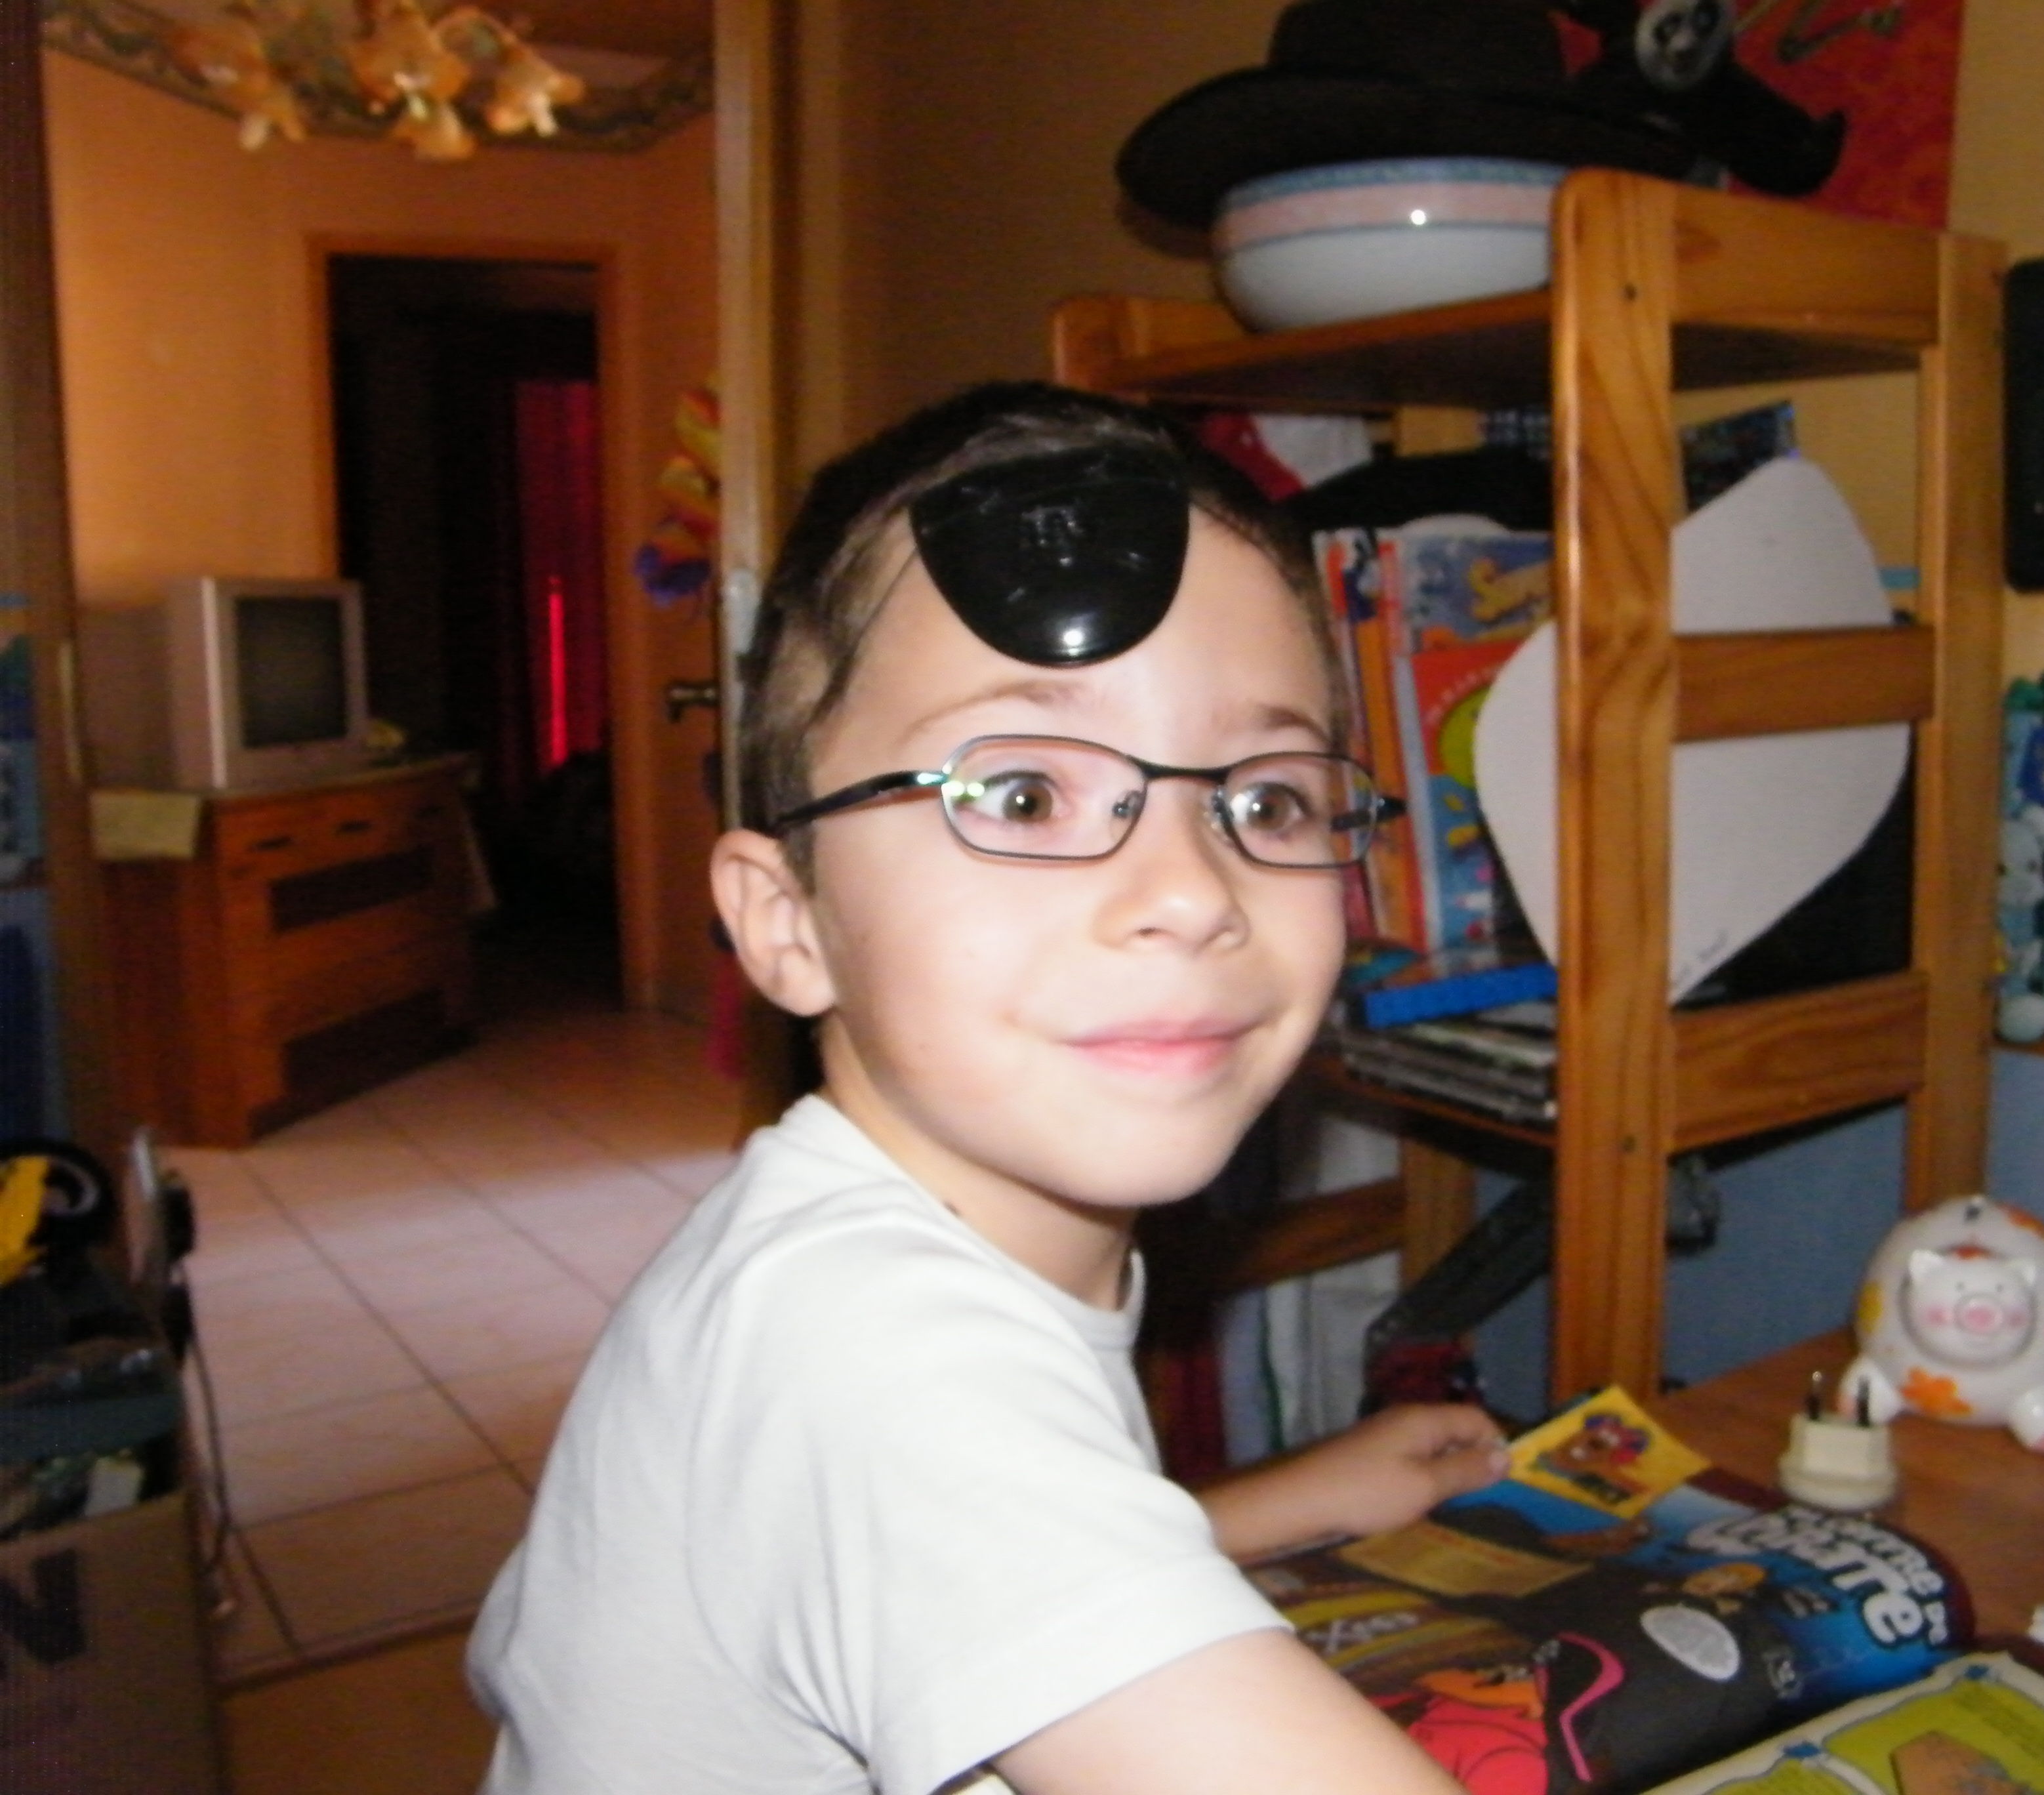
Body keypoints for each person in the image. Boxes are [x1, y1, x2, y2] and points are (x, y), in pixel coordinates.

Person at [467, 380, 1511, 1794]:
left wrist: (1262, 1507)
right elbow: (921, 1467)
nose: (1192, 891)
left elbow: (955, 1559)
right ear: (788, 921)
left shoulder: (868, 1257)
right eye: (1023, 796)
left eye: (1266, 800)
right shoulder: (869, 1358)